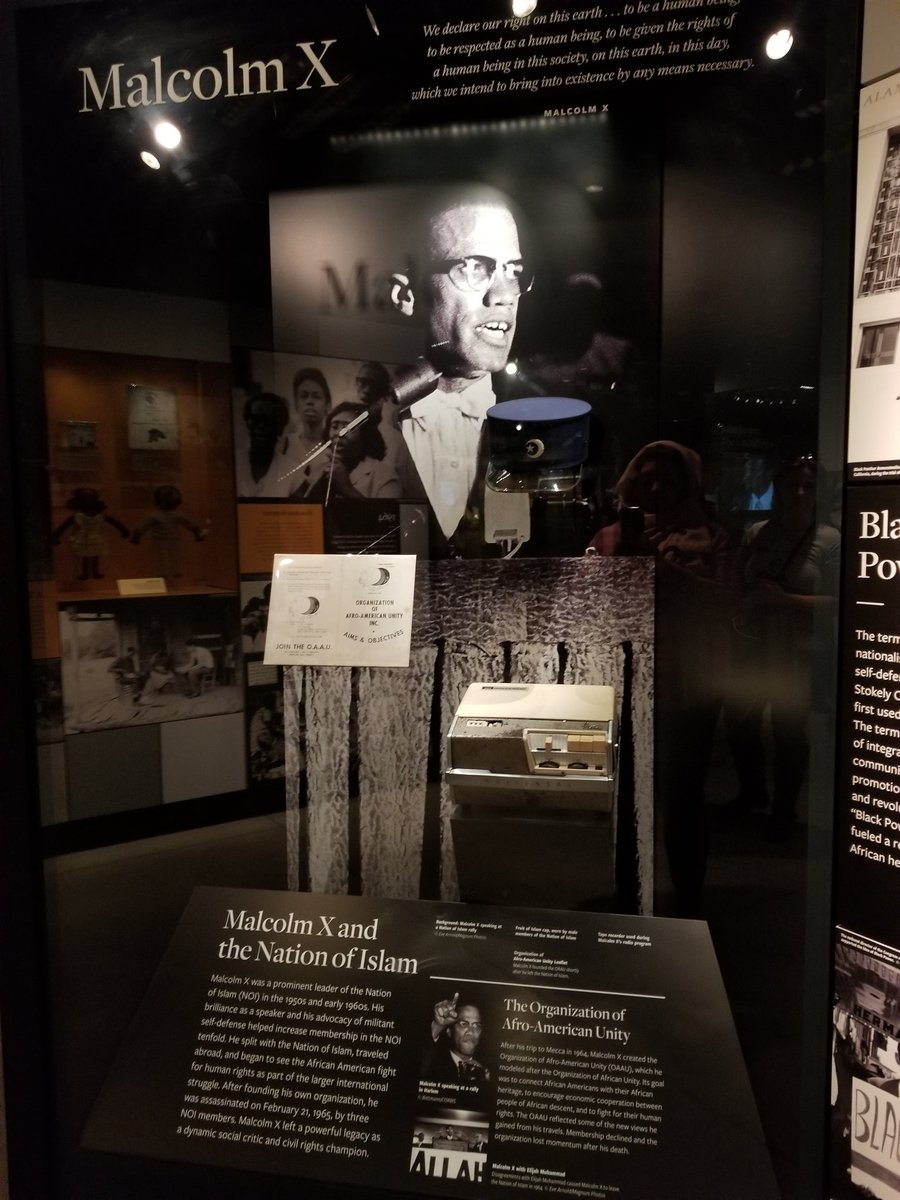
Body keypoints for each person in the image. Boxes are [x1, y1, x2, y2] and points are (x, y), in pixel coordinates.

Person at [586, 441, 733, 915]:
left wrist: (659, 567)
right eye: (646, 478)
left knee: (683, 794)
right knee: (623, 790)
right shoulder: (609, 536)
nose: (655, 489)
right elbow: (587, 605)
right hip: (622, 680)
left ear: (688, 484)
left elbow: (722, 601)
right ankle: (626, 895)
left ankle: (688, 900)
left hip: (688, 680)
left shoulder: (712, 537)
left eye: (667, 480)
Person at [390, 186, 531, 553]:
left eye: (514, 271)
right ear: (407, 296)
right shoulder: (366, 423)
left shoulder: (539, 424)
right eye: (474, 267)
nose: (504, 294)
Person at [724, 456, 839, 841]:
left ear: (819, 492)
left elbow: (841, 601)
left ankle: (783, 811)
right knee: (740, 721)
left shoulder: (830, 539)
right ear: (780, 489)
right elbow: (737, 583)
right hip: (755, 644)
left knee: (789, 729)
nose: (800, 493)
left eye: (809, 487)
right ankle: (753, 791)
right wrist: (744, 605)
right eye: (793, 485)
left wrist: (783, 601)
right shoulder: (757, 532)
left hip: (801, 649)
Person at [300, 402, 401, 501]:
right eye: (334, 427)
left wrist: (346, 488)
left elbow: (387, 512)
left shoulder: (385, 476)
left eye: (349, 428)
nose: (339, 433)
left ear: (365, 435)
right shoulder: (318, 470)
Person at [421, 993, 490, 1106]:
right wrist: (438, 1025)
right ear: (449, 1031)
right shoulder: (432, 1063)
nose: (471, 1031)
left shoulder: (489, 1072)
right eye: (464, 1024)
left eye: (476, 1025)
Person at [283, 367, 332, 497]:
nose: (310, 402)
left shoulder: (335, 446)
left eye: (317, 397)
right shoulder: (285, 444)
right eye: (303, 396)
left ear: (327, 405)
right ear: (296, 404)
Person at [235, 393, 292, 498]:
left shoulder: (293, 474)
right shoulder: (233, 465)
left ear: (280, 428)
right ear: (247, 423)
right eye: (256, 420)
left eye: (268, 422)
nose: (261, 427)